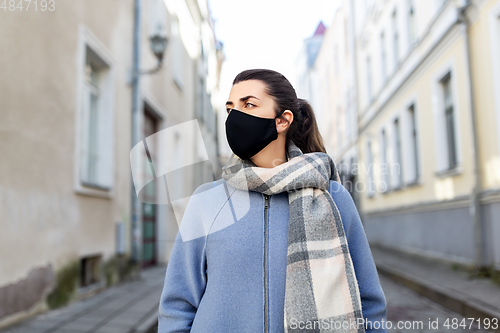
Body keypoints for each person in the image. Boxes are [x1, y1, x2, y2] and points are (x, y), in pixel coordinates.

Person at [158, 69, 387, 332]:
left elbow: (368, 303)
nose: (235, 117)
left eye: (249, 104)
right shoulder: (205, 201)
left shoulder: (333, 198)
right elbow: (177, 306)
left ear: (282, 120)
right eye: (230, 109)